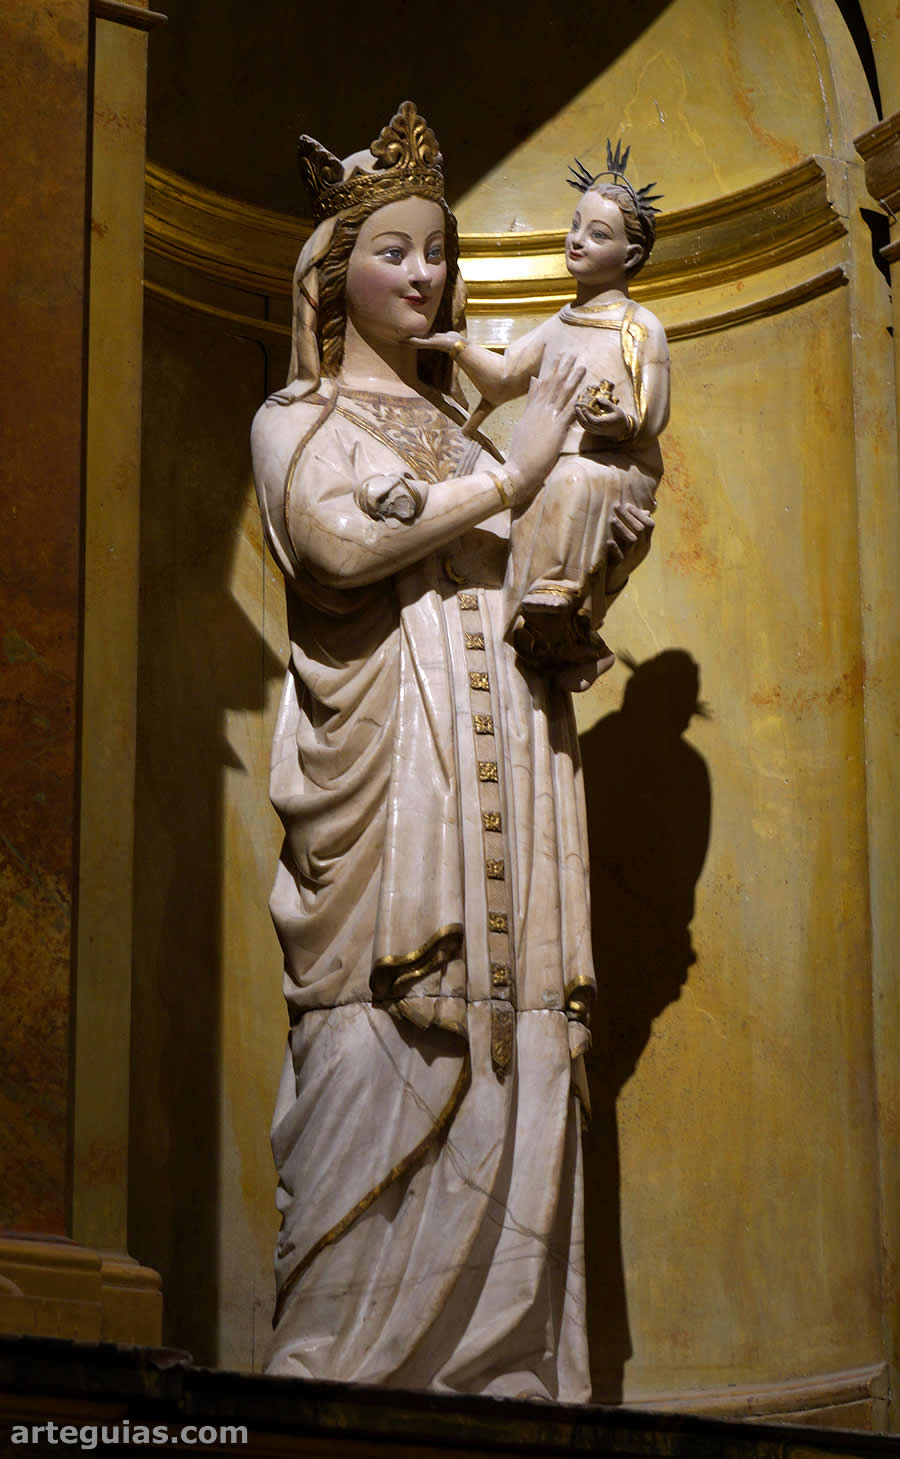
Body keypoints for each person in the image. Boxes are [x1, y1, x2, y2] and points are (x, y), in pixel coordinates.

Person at [250, 102, 652, 1399]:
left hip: (515, 765)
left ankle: (508, 1362)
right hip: (395, 790)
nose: (426, 275)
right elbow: (340, 546)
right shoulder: (296, 421)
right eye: (396, 252)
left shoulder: (473, 429)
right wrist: (510, 477)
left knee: (510, 1036)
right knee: (384, 1044)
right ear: (332, 273)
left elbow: (515, 554)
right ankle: (344, 1367)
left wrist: (570, 584)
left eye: (440, 254)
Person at [413, 145, 669, 691]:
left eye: (598, 235)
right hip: (557, 475)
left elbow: (651, 414)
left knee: (570, 480)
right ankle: (541, 625)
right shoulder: (562, 322)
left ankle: (560, 597)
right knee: (535, 494)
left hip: (619, 471)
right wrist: (458, 346)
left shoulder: (639, 326)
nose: (577, 239)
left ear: (630, 256)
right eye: (576, 226)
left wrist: (611, 421)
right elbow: (505, 378)